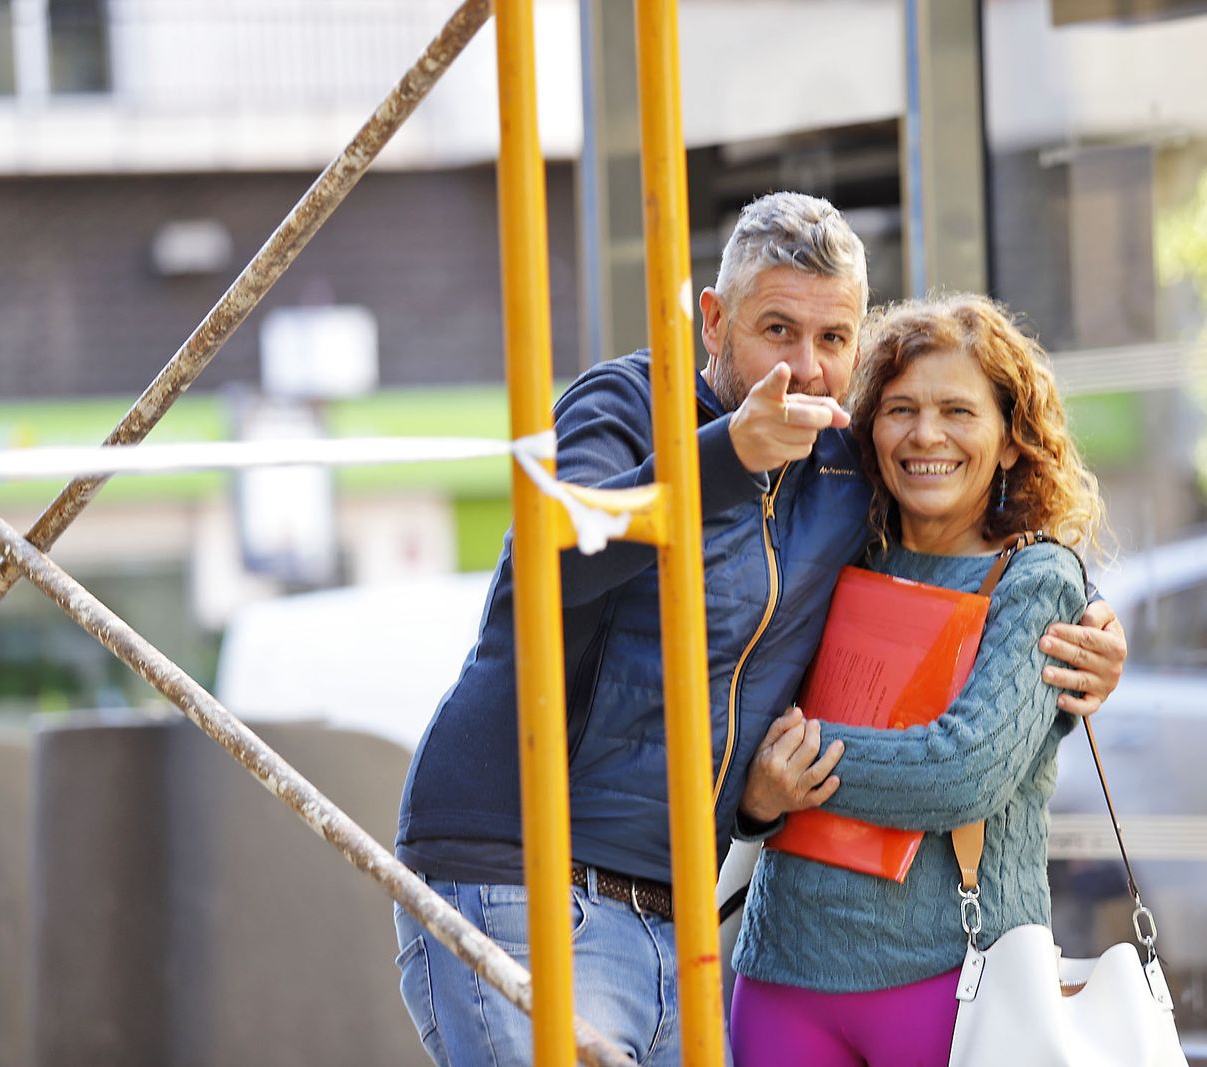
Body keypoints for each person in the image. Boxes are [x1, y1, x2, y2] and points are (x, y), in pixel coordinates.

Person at [393, 193, 1126, 1067]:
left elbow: (956, 541)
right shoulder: (630, 401)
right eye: (778, 330)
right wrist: (726, 456)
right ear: (713, 321)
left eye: (833, 338)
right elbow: (549, 561)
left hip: (679, 909)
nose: (806, 369)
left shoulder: (842, 468)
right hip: (527, 872)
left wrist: (1085, 635)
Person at [729, 293, 1104, 1067]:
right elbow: (732, 716)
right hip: (782, 969)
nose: (926, 434)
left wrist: (788, 763)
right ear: (871, 429)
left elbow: (961, 771)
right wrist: (756, 794)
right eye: (900, 409)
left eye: (958, 411)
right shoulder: (832, 554)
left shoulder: (1037, 581)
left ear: (1011, 440)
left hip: (957, 975)